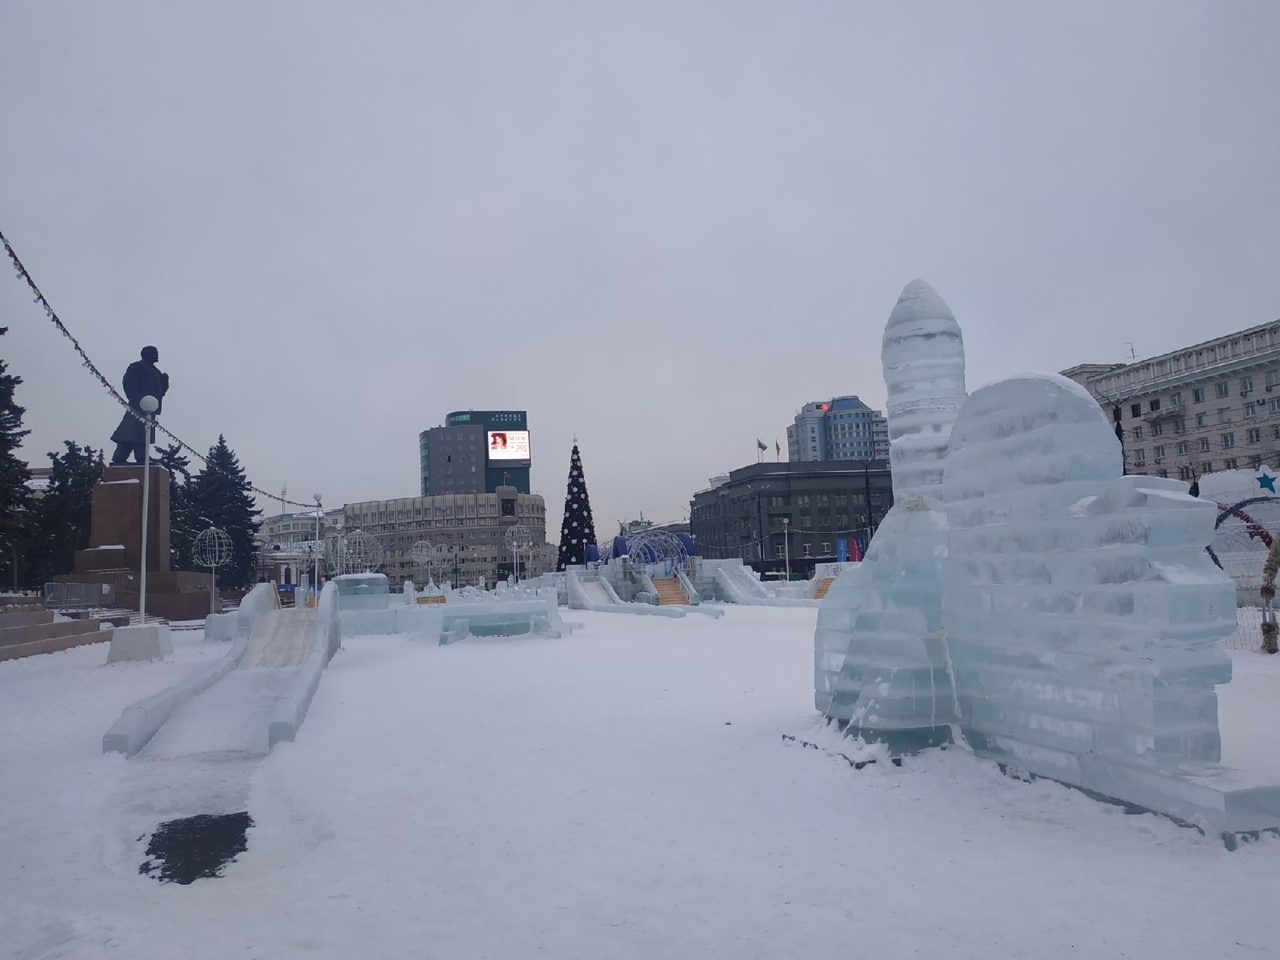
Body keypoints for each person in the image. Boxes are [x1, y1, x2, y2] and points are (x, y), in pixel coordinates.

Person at [109, 345, 169, 466]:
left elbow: (159, 392)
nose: (157, 355)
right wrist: (137, 400)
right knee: (130, 432)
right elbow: (129, 383)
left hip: (150, 408)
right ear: (145, 354)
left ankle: (136, 456)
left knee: (141, 432)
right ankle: (127, 457)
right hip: (138, 406)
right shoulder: (137, 366)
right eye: (154, 352)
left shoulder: (157, 372)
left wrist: (164, 384)